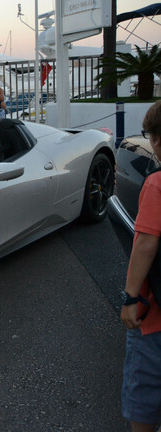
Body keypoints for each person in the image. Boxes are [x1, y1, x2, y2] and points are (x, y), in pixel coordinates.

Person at [120, 100, 161, 432]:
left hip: (155, 318)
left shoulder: (157, 184)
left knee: (143, 398)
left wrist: (131, 298)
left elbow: (146, 242)